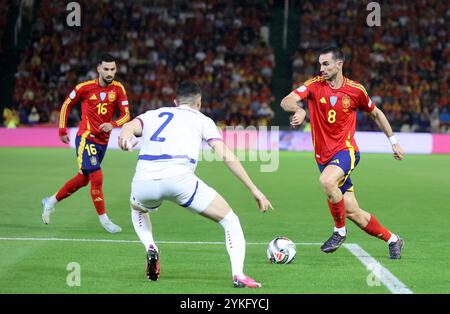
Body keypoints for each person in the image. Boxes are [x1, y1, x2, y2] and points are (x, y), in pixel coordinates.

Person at [118, 81, 273, 287]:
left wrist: (125, 140)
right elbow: (226, 155)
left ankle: (150, 246)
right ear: (198, 103)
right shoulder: (203, 120)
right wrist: (254, 189)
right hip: (179, 179)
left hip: (144, 179)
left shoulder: (153, 114)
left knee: (137, 208)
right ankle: (238, 274)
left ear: (175, 101)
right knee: (230, 220)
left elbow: (127, 127)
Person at [280, 47, 405, 259]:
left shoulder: (356, 90)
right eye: (320, 64)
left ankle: (339, 231)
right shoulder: (313, 85)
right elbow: (286, 100)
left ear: (339, 64)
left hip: (346, 150)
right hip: (323, 157)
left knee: (327, 182)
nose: (322, 69)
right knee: (354, 212)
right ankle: (394, 240)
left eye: (326, 64)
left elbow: (376, 113)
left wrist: (393, 141)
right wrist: (299, 110)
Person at [41, 53, 130, 233]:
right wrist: (62, 130)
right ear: (98, 69)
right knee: (96, 177)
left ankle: (50, 201)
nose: (109, 72)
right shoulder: (85, 87)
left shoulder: (119, 89)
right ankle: (105, 220)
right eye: (106, 69)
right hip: (86, 137)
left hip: (102, 143)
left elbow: (126, 115)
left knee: (83, 180)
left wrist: (112, 125)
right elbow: (67, 104)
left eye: (112, 69)